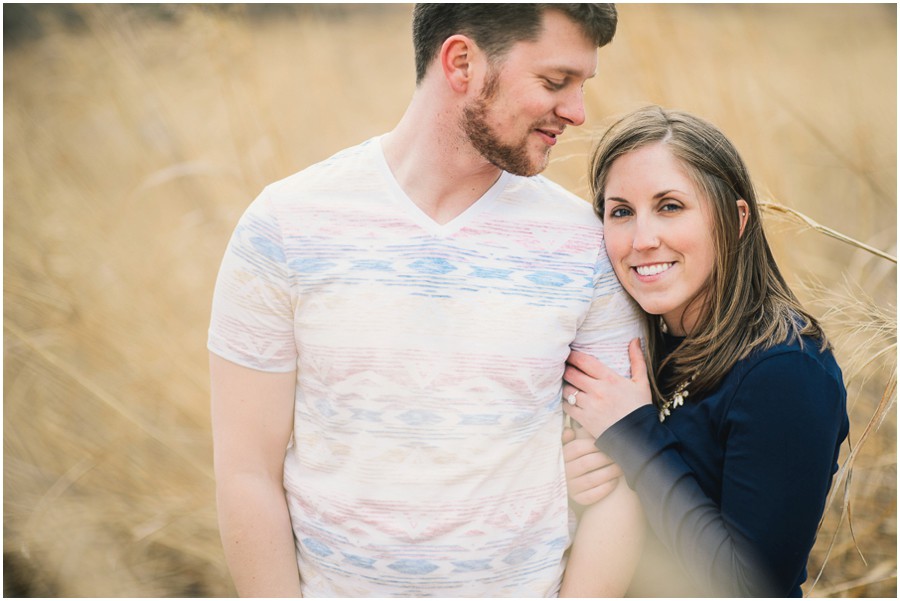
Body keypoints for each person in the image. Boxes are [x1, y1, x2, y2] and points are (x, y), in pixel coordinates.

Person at [208, 4, 645, 597]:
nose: (577, 112)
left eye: (581, 85)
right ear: (461, 62)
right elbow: (246, 473)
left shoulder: (585, 244)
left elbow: (622, 481)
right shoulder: (285, 226)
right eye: (554, 81)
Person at [560, 105, 850, 597]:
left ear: (735, 219)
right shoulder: (638, 343)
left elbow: (751, 587)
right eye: (621, 212)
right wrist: (570, 485)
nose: (642, 240)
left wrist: (633, 439)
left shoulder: (786, 370)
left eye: (670, 206)